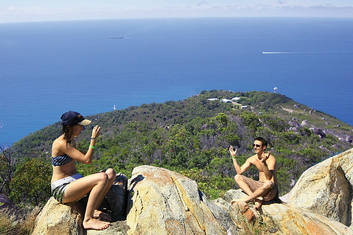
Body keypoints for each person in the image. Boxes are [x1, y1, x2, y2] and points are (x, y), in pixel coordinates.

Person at [51, 111, 116, 230]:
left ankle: (93, 209)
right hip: (62, 189)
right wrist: (93, 139)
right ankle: (87, 220)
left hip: (74, 181)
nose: (82, 128)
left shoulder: (71, 140)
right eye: (80, 125)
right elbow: (87, 160)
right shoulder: (61, 143)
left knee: (110, 173)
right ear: (70, 127)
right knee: (102, 178)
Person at [229, 137, 278, 220]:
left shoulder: (270, 159)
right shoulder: (252, 159)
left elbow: (269, 177)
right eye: (254, 145)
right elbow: (239, 171)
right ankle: (256, 198)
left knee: (268, 183)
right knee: (237, 177)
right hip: (260, 186)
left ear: (264, 147)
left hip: (270, 190)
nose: (255, 147)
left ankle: (246, 200)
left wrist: (263, 162)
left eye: (258, 146)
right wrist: (233, 157)